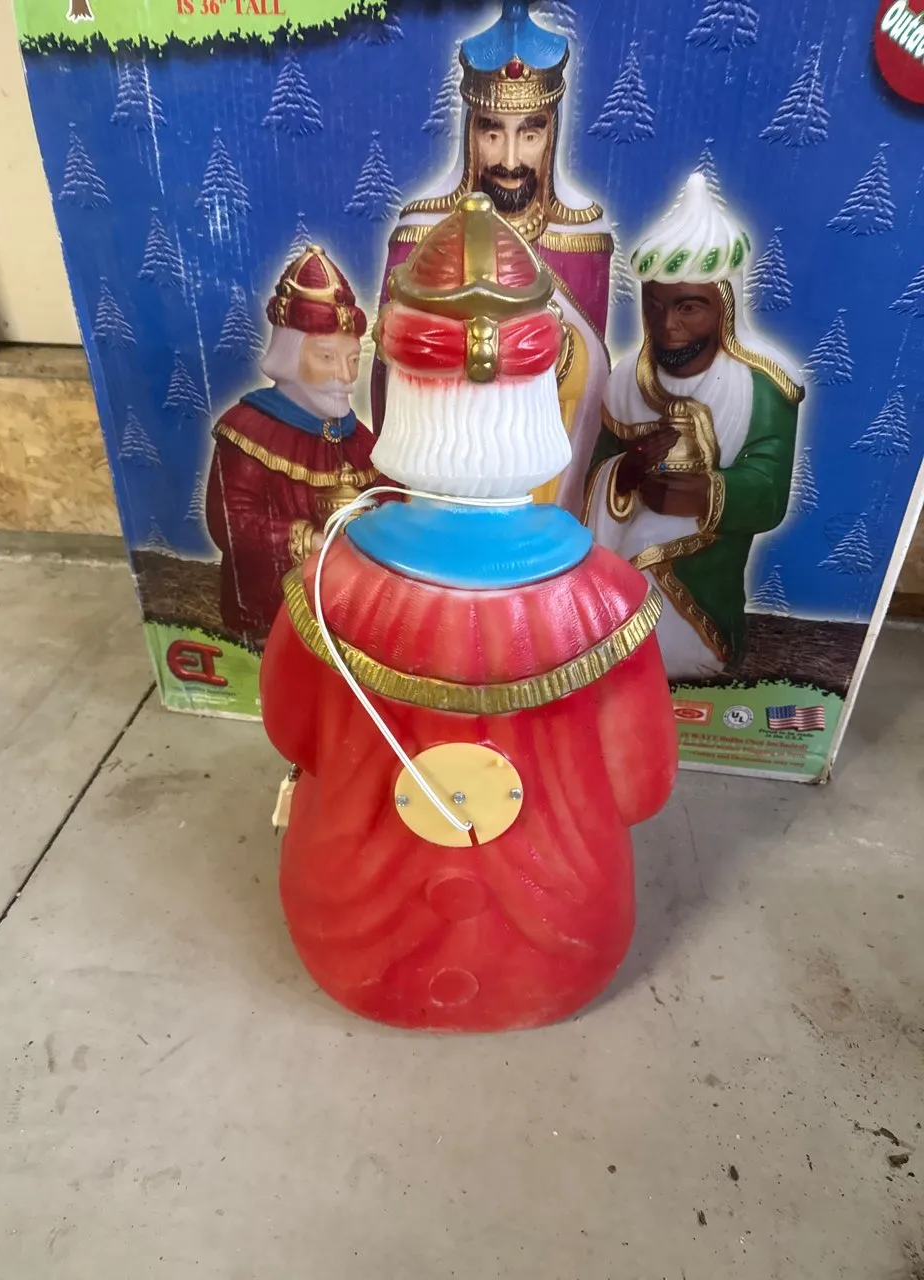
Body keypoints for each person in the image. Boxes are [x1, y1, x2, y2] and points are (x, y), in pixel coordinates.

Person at [261, 194, 677, 1032]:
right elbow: (642, 786)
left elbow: (290, 732)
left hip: (353, 931)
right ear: (542, 399)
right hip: (564, 934)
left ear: (403, 395)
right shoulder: (608, 599)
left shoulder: (329, 584)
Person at [370, 0, 613, 517]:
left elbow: (593, 388)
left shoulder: (582, 235)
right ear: (470, 131)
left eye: (530, 133)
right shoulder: (421, 232)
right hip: (440, 464)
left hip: (537, 473)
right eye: (492, 131)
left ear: (552, 134)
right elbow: (389, 373)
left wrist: (554, 352)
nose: (509, 159)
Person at [584, 173, 805, 681]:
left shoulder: (762, 386)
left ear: (724, 306)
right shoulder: (627, 379)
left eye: (689, 307)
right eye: (655, 305)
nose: (668, 326)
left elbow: (769, 491)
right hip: (617, 565)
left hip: (701, 577)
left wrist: (705, 494)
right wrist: (627, 471)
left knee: (678, 655)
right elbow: (598, 469)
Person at [205, 246, 380, 647]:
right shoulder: (248, 433)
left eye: (353, 360)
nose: (345, 376)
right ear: (289, 355)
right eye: (326, 357)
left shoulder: (357, 437)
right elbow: (230, 523)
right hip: (274, 607)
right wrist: (309, 541)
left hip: (348, 600)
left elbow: (386, 497)